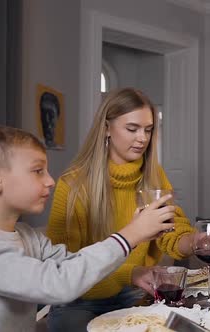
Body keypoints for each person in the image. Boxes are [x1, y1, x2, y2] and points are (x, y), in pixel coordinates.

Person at [0, 125, 176, 332]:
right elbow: (58, 284)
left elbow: (77, 267)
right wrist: (129, 235)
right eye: (38, 171)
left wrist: (134, 251)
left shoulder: (28, 236)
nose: (50, 181)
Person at [46, 88, 196, 331]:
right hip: (78, 301)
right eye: (132, 129)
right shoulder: (73, 185)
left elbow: (170, 230)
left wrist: (194, 240)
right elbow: (65, 266)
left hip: (133, 293)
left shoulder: (154, 175)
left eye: (148, 130)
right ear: (106, 128)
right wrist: (130, 273)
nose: (142, 139)